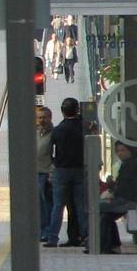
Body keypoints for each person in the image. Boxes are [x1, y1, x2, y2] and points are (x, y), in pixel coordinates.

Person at [44, 97, 88, 248]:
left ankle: (52, 238)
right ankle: (86, 236)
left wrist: (55, 163)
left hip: (61, 170)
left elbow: (50, 151)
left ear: (62, 111)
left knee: (58, 206)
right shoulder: (84, 128)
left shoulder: (58, 130)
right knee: (80, 205)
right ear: (77, 110)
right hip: (80, 169)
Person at [97, 141, 137, 254]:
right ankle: (111, 244)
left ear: (131, 151)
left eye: (123, 150)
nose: (120, 154)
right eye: (118, 151)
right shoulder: (136, 162)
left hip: (132, 200)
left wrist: (112, 191)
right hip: (136, 198)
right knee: (106, 214)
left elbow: (124, 187)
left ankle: (104, 245)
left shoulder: (131, 164)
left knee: (98, 208)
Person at [35, 106, 55, 244]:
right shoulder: (35, 133)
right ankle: (41, 231)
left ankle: (48, 231)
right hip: (35, 173)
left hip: (46, 173)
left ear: (50, 118)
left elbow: (56, 154)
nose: (42, 120)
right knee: (38, 205)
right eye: (39, 118)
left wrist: (51, 172)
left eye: (44, 117)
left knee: (47, 204)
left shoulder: (54, 134)